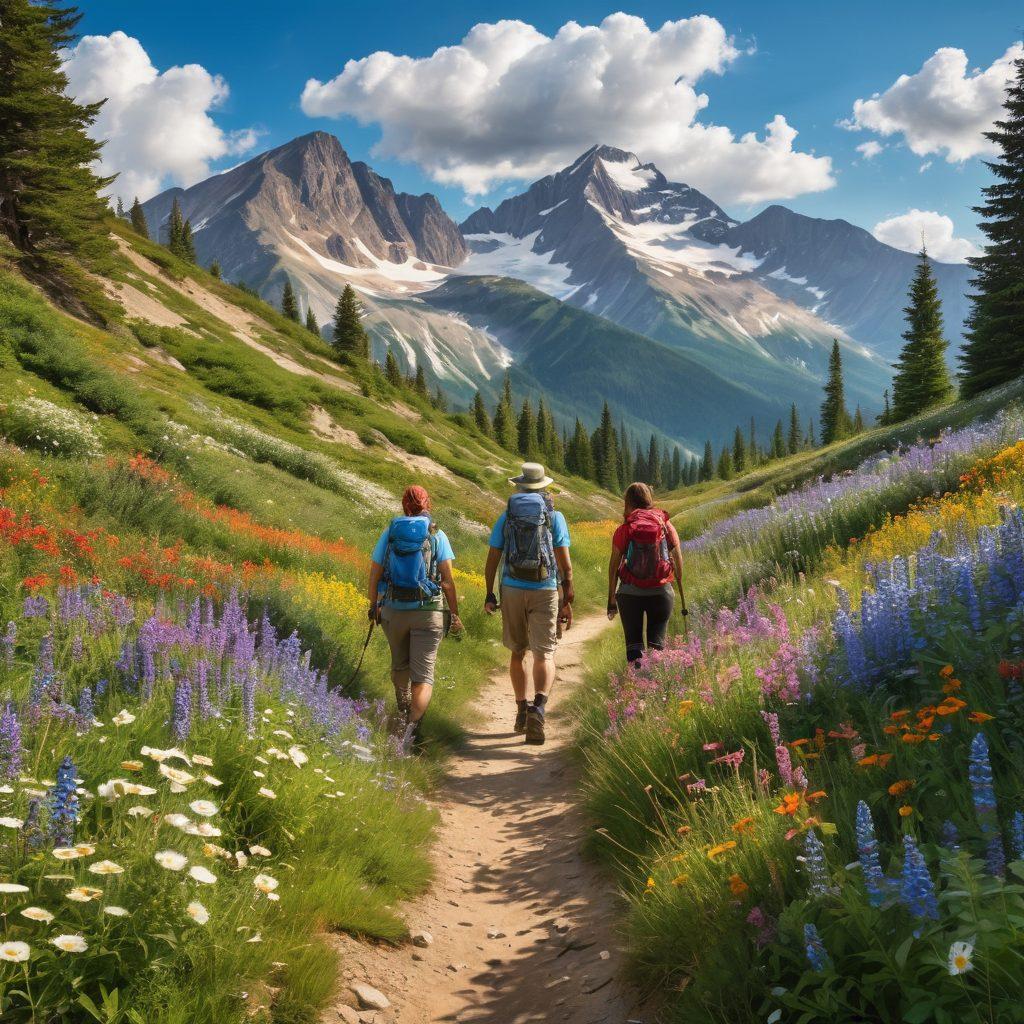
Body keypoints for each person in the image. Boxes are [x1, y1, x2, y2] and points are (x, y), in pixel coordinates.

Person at [484, 462, 573, 746]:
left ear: (520, 486)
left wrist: (490, 593)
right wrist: (567, 596)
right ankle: (539, 709)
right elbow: (565, 563)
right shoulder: (554, 516)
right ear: (543, 486)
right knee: (544, 654)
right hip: (545, 588)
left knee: (517, 652)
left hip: (511, 588)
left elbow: (493, 557)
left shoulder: (507, 515)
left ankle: (521, 709)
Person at [367, 485, 462, 748]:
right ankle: (411, 728)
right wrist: (454, 614)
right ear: (427, 504)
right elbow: (447, 580)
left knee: (400, 667)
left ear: (403, 505)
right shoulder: (436, 534)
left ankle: (402, 711)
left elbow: (375, 573)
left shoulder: (390, 532)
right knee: (423, 677)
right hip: (428, 612)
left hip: (394, 610)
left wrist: (374, 605)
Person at [607, 482, 685, 663]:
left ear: (628, 502)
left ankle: (636, 676)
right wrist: (677, 583)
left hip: (629, 594)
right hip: (661, 592)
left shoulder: (625, 528)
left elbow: (613, 566)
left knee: (633, 647)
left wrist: (611, 599)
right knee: (657, 648)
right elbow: (678, 560)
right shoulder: (665, 525)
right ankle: (654, 679)